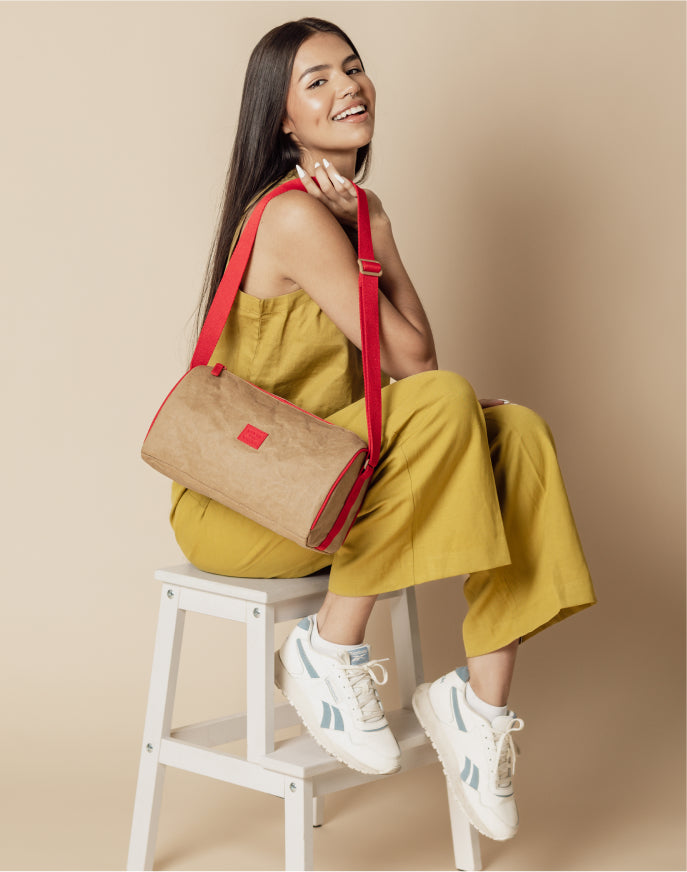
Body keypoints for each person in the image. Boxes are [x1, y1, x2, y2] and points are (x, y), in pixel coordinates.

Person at [170, 17, 597, 843]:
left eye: (353, 69)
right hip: (244, 506)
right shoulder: (293, 218)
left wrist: (381, 235)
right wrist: (379, 239)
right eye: (317, 81)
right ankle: (325, 653)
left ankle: (478, 709)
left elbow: (414, 359)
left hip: (326, 486)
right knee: (442, 403)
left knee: (519, 434)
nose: (347, 89)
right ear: (282, 122)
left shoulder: (355, 213)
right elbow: (416, 367)